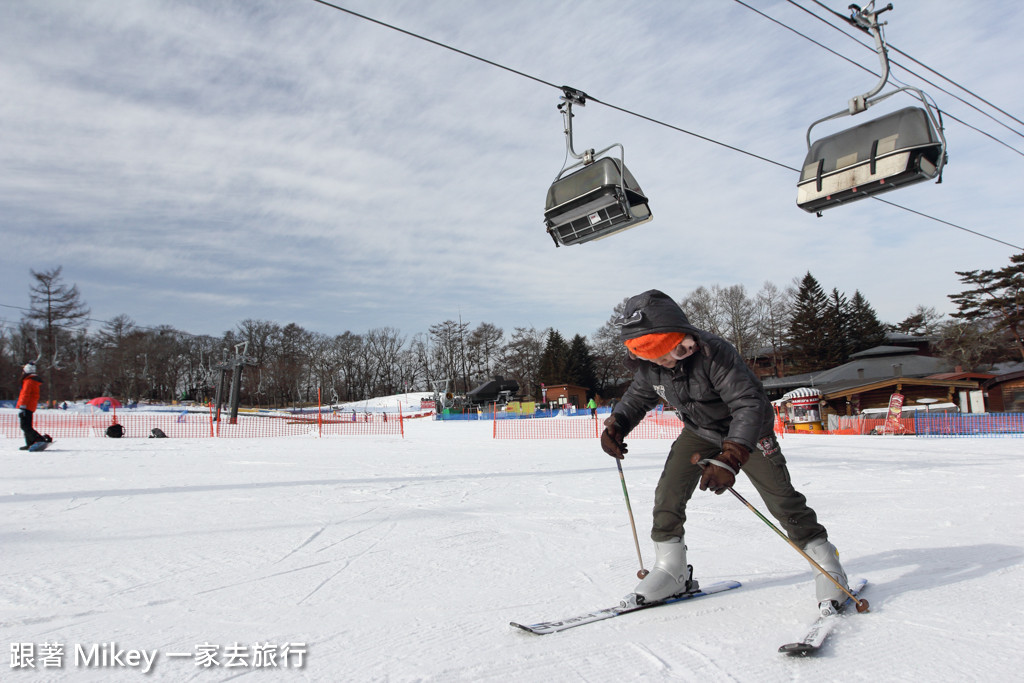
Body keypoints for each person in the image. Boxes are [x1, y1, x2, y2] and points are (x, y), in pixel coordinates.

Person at [600, 290, 849, 612]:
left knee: (782, 500)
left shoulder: (714, 354)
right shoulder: (650, 366)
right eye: (648, 357)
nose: (657, 362)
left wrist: (731, 457)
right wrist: (618, 422)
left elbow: (748, 404)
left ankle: (828, 565)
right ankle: (670, 570)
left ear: (679, 340)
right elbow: (639, 395)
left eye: (662, 354)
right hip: (699, 432)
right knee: (668, 494)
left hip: (748, 431)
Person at [16, 362, 51, 450]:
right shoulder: (33, 381)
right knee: (27, 425)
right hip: (30, 406)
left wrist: (22, 406)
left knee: (24, 426)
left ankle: (39, 439)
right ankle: (30, 443)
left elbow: (25, 394)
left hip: (26, 406)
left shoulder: (28, 381)